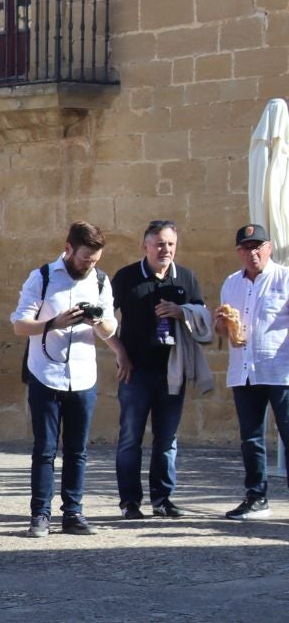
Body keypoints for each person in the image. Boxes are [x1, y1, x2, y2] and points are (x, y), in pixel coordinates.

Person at [11, 222, 118, 537]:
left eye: (95, 260)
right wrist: (54, 322)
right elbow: (19, 324)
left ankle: (73, 512)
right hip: (45, 374)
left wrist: (98, 321)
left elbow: (111, 328)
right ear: (69, 249)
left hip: (83, 376)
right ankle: (40, 515)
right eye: (85, 258)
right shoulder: (42, 277)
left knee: (77, 449)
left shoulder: (100, 281)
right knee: (45, 448)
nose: (89, 265)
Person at [107, 221, 210, 519]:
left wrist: (181, 312)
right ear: (146, 246)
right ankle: (130, 502)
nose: (165, 250)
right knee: (130, 438)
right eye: (159, 244)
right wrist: (121, 354)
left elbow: (201, 317)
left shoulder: (186, 278)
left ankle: (162, 499)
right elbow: (103, 321)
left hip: (172, 372)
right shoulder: (126, 277)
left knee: (167, 439)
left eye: (170, 244)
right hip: (135, 372)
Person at [219, 224, 289, 519]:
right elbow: (222, 329)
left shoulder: (284, 279)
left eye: (258, 246)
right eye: (247, 248)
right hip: (244, 370)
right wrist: (221, 325)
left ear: (269, 248)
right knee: (251, 439)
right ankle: (256, 497)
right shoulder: (231, 283)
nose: (253, 252)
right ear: (239, 252)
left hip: (281, 371)